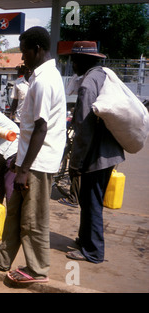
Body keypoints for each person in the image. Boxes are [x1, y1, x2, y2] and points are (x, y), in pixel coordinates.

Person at [0, 26, 66, 284]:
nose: (22, 56)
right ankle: (2, 258)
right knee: (14, 213)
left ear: (37, 49)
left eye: (24, 50)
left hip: (37, 163)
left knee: (33, 219)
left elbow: (41, 126)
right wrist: (20, 165)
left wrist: (24, 169)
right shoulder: (38, 77)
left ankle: (37, 270)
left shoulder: (46, 81)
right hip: (26, 160)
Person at [66, 41, 125, 263]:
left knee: (91, 201)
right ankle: (85, 239)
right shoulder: (104, 76)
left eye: (74, 60)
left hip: (96, 155)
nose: (72, 65)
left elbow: (83, 128)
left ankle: (93, 252)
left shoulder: (88, 84)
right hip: (109, 151)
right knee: (88, 199)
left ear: (83, 61)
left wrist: (75, 163)